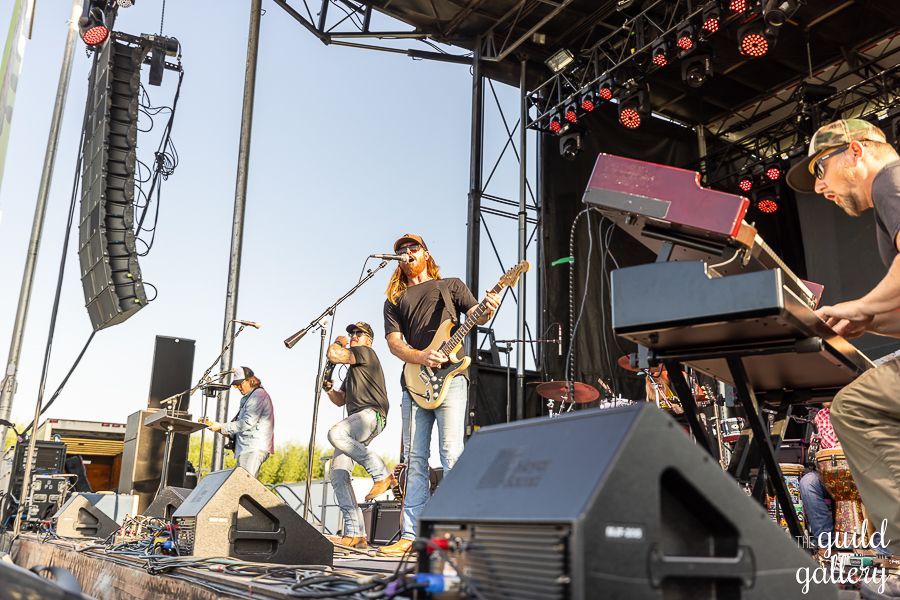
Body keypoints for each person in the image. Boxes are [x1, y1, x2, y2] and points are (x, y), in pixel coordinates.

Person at [787, 118, 900, 575]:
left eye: (821, 169)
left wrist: (860, 304)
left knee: (855, 406)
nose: (819, 187)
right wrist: (867, 317)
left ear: (855, 152)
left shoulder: (892, 180)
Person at [378, 233, 502, 556]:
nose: (407, 253)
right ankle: (409, 535)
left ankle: (456, 533)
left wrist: (489, 306)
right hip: (415, 383)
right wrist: (421, 357)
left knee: (452, 453)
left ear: (426, 253)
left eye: (412, 248)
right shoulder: (395, 299)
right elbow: (393, 343)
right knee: (415, 460)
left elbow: (479, 314)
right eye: (402, 251)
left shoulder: (451, 286)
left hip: (452, 380)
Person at [323, 321, 394, 549]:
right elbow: (340, 400)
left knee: (335, 433)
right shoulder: (354, 369)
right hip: (358, 420)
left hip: (371, 415)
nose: (353, 336)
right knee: (338, 474)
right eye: (350, 333)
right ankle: (356, 534)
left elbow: (335, 354)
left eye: (358, 333)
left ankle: (381, 474)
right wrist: (329, 390)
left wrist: (338, 342)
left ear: (368, 340)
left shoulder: (365, 353)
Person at [206, 366, 274, 478]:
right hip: (247, 448)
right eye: (235, 385)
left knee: (246, 486)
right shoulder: (250, 397)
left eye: (239, 384)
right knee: (243, 485)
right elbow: (242, 427)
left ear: (250, 381)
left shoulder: (258, 395)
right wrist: (218, 428)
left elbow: (247, 422)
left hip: (253, 448)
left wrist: (221, 426)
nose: (238, 387)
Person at [799, 405, 838, 554]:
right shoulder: (821, 415)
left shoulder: (859, 407)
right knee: (808, 482)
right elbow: (824, 448)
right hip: (829, 475)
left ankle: (880, 546)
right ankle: (825, 542)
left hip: (860, 475)